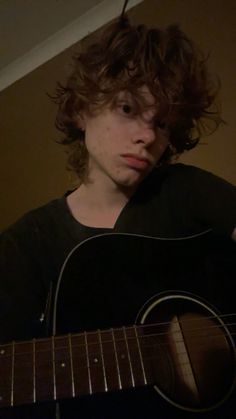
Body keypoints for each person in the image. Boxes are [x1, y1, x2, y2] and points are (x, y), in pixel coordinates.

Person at [0, 12, 235, 419]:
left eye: (161, 123)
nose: (148, 136)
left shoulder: (184, 190)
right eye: (127, 108)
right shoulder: (25, 243)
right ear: (80, 110)